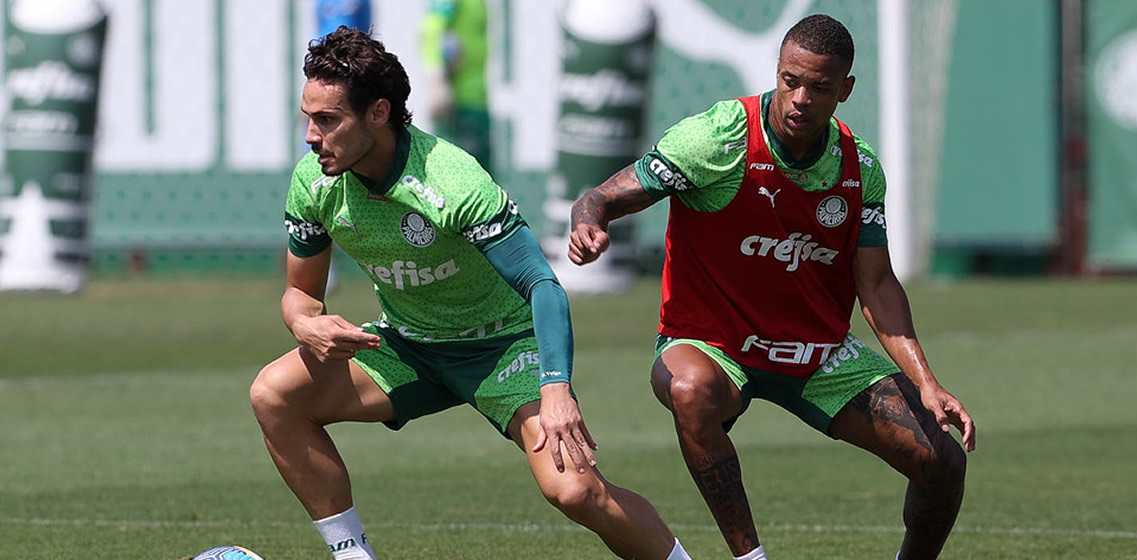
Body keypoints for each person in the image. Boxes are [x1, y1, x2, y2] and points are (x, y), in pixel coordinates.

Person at [250, 26, 693, 560]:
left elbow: (543, 286)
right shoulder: (315, 183)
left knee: (576, 491)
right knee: (273, 395)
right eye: (308, 117)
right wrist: (305, 324)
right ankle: (352, 555)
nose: (311, 136)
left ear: (378, 113)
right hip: (407, 346)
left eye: (327, 120)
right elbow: (300, 295)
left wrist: (556, 389)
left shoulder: (451, 180)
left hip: (503, 346)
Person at [568, 14, 975, 560]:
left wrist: (926, 381)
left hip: (815, 353)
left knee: (944, 462)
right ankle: (751, 557)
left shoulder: (858, 168)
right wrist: (589, 221)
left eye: (819, 87)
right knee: (690, 392)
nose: (801, 98)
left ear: (845, 90)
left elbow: (876, 284)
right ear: (778, 72)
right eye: (791, 80)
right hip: (713, 343)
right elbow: (603, 195)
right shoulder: (719, 138)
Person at [420, 0, 492, 171]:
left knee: (482, 175)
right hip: (457, 103)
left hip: (476, 99)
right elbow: (432, 30)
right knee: (457, 175)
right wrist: (437, 83)